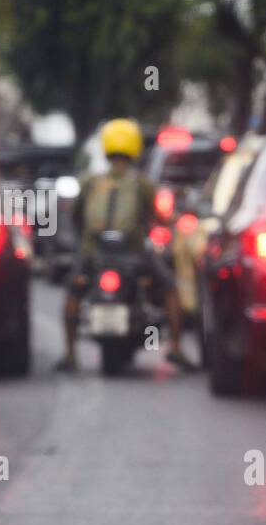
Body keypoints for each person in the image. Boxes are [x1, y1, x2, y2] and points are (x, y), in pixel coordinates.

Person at [56, 118, 196, 373]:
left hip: (94, 255)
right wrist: (177, 221)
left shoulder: (90, 181)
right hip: (133, 255)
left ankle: (69, 354)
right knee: (169, 288)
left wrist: (83, 244)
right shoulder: (140, 183)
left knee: (73, 292)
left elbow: (76, 216)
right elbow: (157, 215)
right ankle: (175, 348)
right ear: (135, 148)